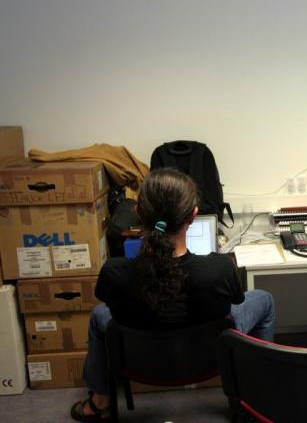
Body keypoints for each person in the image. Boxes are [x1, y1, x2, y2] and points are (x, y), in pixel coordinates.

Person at [71, 168, 275, 422]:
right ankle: (257, 397)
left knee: (98, 315)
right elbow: (237, 301)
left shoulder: (114, 272)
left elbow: (112, 303)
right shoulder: (219, 269)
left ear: (138, 213)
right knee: (264, 300)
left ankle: (100, 402)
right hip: (208, 357)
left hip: (140, 361)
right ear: (193, 215)